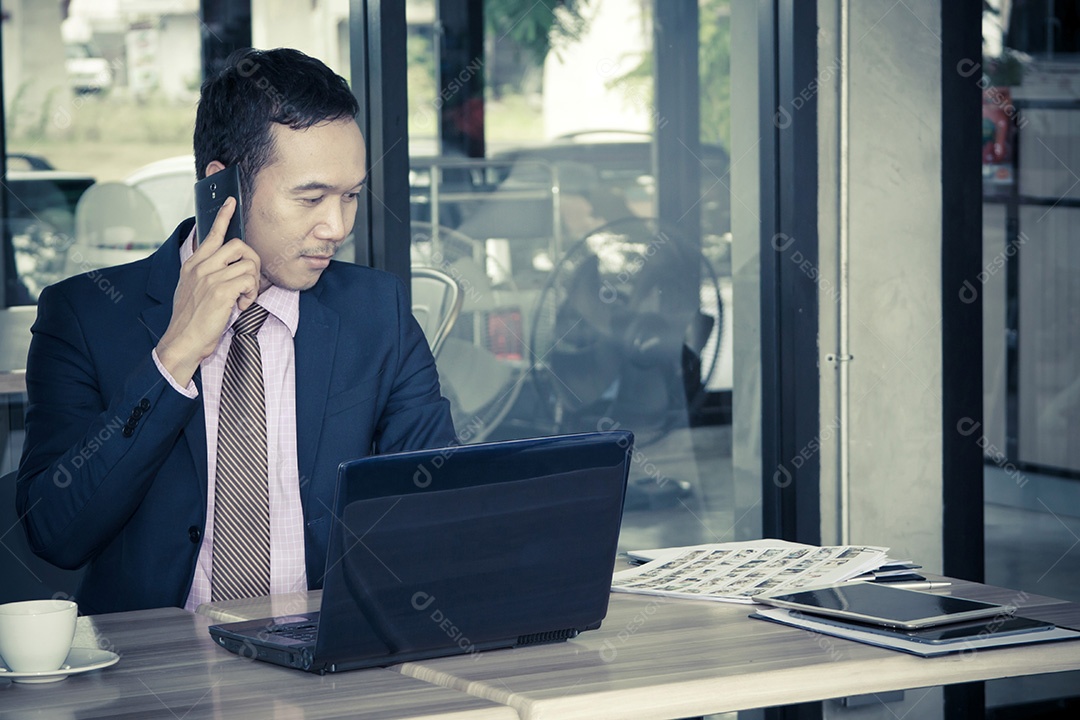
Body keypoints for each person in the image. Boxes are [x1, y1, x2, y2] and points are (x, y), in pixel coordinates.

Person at [15, 48, 457, 615]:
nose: (337, 226)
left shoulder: (379, 311)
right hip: (158, 674)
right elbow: (56, 534)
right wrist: (173, 359)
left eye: (350, 196)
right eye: (311, 196)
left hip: (324, 664)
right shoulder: (83, 316)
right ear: (222, 188)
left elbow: (438, 508)